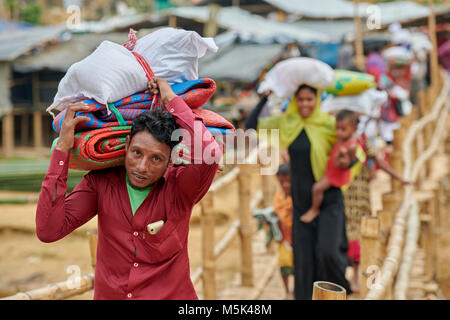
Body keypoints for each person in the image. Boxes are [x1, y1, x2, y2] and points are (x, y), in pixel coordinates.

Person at [35, 78, 222, 300]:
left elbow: (210, 152)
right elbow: (48, 230)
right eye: (137, 153)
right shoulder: (100, 183)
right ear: (126, 147)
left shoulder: (181, 188)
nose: (142, 167)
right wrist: (63, 149)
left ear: (170, 160)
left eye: (156, 158)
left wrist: (170, 99)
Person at [246, 83, 352, 300]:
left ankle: (340, 292)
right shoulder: (287, 123)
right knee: (303, 261)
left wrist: (345, 164)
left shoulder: (329, 124)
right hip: (301, 201)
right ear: (295, 101)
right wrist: (265, 98)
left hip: (329, 198)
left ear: (317, 100)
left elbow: (352, 147)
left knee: (328, 253)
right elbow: (250, 125)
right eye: (301, 99)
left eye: (309, 99)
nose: (305, 104)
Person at [302, 110, 366, 224]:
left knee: (317, 188)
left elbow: (348, 161)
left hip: (336, 174)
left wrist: (343, 155)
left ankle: (314, 209)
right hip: (331, 170)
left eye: (343, 129)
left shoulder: (351, 145)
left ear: (354, 129)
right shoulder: (343, 139)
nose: (339, 132)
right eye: (337, 128)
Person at [273, 163, 294, 300]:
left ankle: (296, 290)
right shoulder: (279, 197)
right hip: (284, 238)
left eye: (288, 181)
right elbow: (276, 213)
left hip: (296, 237)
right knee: (284, 265)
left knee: (298, 266)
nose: (285, 184)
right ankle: (287, 291)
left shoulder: (297, 196)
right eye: (282, 181)